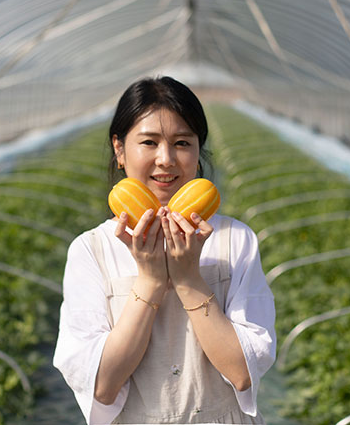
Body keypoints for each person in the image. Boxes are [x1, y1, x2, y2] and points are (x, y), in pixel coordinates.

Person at [53, 76, 276, 424]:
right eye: (149, 142)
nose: (166, 159)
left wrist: (188, 278)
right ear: (119, 149)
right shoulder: (91, 249)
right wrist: (151, 280)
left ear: (198, 151)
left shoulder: (236, 240)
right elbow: (102, 386)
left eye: (182, 142)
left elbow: (242, 373)